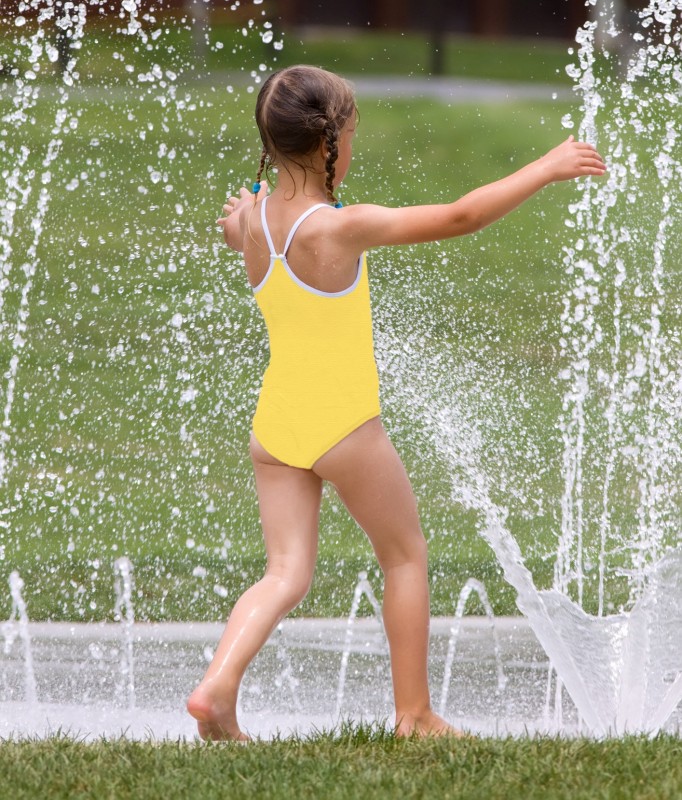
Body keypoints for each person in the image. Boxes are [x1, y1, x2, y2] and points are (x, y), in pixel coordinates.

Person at [187, 65, 607, 741]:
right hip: (344, 425)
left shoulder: (253, 223)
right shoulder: (336, 229)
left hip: (276, 426)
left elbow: (239, 227)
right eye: (351, 134)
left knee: (286, 571)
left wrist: (242, 216)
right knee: (405, 555)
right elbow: (461, 216)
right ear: (331, 141)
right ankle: (413, 714)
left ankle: (217, 686)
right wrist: (546, 167)